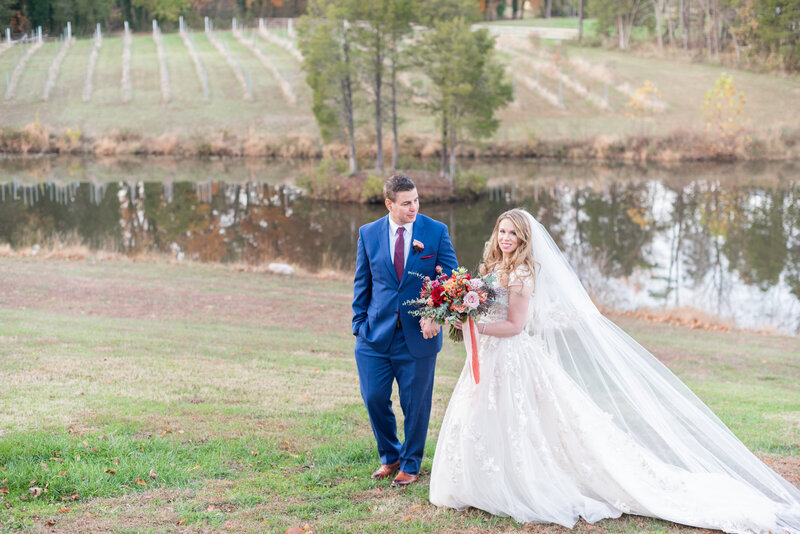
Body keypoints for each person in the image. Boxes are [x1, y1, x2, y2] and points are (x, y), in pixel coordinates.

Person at [429, 208, 800, 533]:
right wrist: (464, 316)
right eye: (502, 231)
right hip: (491, 355)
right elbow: (488, 313)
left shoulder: (523, 274)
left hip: (511, 356)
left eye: (513, 232)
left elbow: (515, 327)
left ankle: (519, 483)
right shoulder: (494, 266)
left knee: (523, 420)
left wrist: (474, 327)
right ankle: (482, 483)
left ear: (524, 238)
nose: (506, 238)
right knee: (484, 414)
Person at [352, 174, 458, 487]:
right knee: (373, 397)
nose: (414, 207)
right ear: (389, 204)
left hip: (419, 336)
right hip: (375, 334)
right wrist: (359, 324)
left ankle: (410, 463)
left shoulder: (435, 231)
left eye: (416, 200)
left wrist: (436, 315)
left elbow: (450, 280)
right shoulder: (368, 233)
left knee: (415, 404)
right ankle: (390, 456)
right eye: (406, 203)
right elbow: (363, 282)